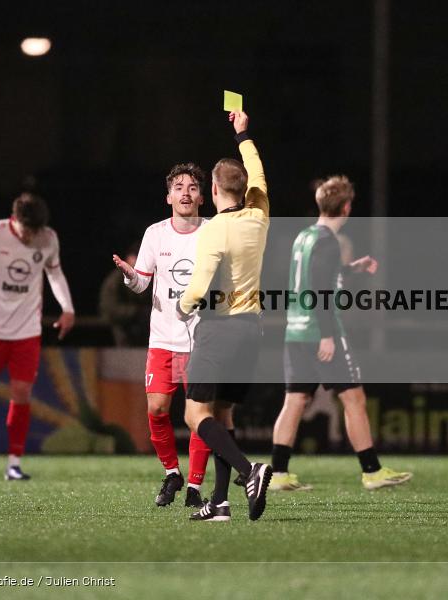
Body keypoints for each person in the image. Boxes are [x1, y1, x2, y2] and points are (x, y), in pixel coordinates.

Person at [270, 175, 413, 492]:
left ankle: (278, 473)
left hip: (295, 331)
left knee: (294, 401)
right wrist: (327, 334)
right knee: (353, 397)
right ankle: (372, 471)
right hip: (319, 330)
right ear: (347, 207)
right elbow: (321, 289)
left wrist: (351, 269)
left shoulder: (305, 237)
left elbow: (314, 276)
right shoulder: (328, 241)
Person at [176, 110, 272, 522]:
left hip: (219, 328)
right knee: (223, 413)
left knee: (194, 414)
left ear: (213, 189)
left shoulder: (213, 229)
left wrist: (182, 306)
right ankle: (219, 503)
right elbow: (257, 171)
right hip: (252, 329)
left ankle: (251, 470)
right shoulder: (259, 214)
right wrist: (243, 133)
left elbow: (198, 289)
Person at [111, 164, 216, 508]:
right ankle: (172, 472)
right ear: (168, 196)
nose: (186, 192)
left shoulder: (214, 231)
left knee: (200, 415)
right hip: (163, 340)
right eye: (179, 187)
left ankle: (196, 486)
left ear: (202, 196)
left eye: (192, 187)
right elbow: (141, 283)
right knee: (157, 409)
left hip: (202, 340)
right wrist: (129, 276)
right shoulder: (155, 234)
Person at [0, 193, 75, 481]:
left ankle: (14, 463)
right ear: (14, 219)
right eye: (26, 230)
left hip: (26, 332)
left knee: (21, 393)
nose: (31, 236)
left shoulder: (48, 238)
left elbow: (55, 275)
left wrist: (67, 308)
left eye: (35, 231)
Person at [99, 242, 150, 347]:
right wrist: (136, 312)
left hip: (142, 331)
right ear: (129, 258)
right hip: (119, 329)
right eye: (136, 257)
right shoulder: (116, 279)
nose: (139, 261)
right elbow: (110, 308)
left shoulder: (148, 278)